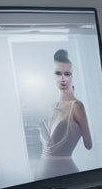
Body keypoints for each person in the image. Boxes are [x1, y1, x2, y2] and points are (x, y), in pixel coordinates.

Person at [35, 49, 92, 180]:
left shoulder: (77, 106)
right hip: (40, 175)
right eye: (58, 73)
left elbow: (88, 145)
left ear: (72, 76)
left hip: (65, 172)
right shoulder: (52, 107)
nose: (62, 78)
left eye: (67, 74)